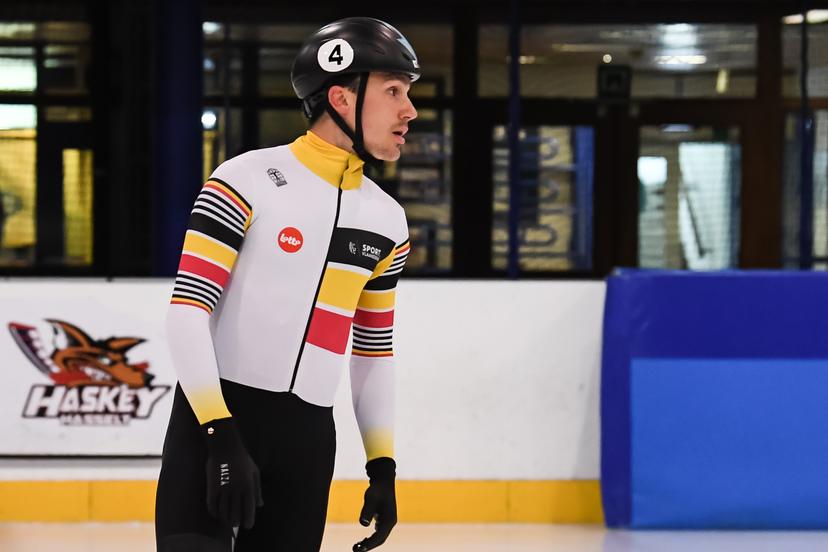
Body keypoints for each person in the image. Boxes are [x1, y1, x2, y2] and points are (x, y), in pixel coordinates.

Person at [155, 17, 418, 552]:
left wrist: (382, 465)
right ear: (342, 98)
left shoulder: (388, 221)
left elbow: (372, 352)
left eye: (407, 94)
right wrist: (217, 433)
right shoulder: (244, 180)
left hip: (306, 444)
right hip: (217, 425)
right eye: (393, 91)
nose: (408, 110)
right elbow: (187, 312)